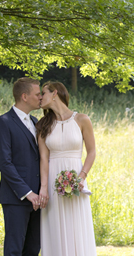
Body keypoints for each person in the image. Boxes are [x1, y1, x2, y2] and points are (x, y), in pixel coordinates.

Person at [36, 81, 97, 256]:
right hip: (52, 182)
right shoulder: (42, 126)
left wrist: (81, 177)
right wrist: (44, 188)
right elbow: (43, 158)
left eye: (44, 93)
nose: (40, 97)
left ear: (55, 93)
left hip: (77, 179)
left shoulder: (82, 119)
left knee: (76, 225)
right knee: (55, 226)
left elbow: (91, 152)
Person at [0, 77, 43, 256]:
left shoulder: (37, 122)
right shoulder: (3, 122)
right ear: (24, 96)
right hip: (16, 198)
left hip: (39, 199)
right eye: (37, 94)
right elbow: (5, 163)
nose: (41, 98)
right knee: (14, 250)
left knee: (33, 249)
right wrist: (27, 193)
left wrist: (40, 192)